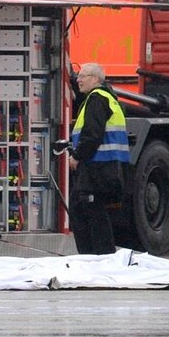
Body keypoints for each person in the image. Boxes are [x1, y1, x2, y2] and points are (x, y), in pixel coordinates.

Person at [68, 62, 128, 255]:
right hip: (106, 167)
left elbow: (92, 134)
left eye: (83, 76)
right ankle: (99, 257)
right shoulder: (107, 98)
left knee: (89, 212)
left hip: (96, 168)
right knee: (89, 211)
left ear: (94, 79)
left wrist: (77, 156)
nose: (79, 79)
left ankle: (97, 258)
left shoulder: (97, 99)